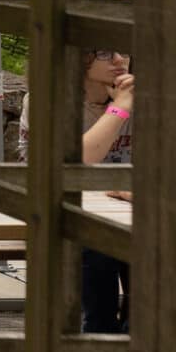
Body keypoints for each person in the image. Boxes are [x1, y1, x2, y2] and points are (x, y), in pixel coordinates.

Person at [78, 49, 134, 333]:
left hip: (132, 217)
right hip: (77, 217)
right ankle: (99, 335)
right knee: (98, 247)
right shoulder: (50, 99)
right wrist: (120, 107)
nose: (117, 60)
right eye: (104, 52)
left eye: (123, 50)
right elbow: (80, 161)